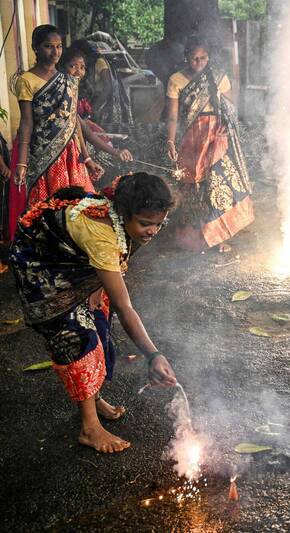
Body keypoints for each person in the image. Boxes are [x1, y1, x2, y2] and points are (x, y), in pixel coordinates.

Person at [8, 173, 178, 453]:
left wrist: (95, 284)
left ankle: (94, 398)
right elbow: (126, 308)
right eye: (146, 223)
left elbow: (117, 254)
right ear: (124, 213)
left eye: (159, 224)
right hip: (43, 263)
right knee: (76, 335)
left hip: (76, 256)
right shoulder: (101, 234)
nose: (153, 231)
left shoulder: (121, 215)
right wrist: (153, 354)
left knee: (99, 321)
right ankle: (89, 428)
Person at [7, 25, 104, 243]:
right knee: (48, 208)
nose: (55, 52)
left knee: (79, 205)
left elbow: (74, 122)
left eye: (59, 46)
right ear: (35, 48)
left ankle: (79, 253)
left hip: (70, 154)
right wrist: (22, 163)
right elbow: (26, 122)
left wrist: (87, 158)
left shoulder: (68, 79)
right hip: (43, 154)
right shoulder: (27, 80)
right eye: (48, 46)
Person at [165, 37, 253, 253]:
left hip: (216, 135)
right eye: (194, 59)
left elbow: (231, 105)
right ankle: (193, 236)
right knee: (192, 184)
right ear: (186, 58)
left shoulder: (216, 77)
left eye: (203, 58)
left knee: (217, 181)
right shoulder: (175, 80)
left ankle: (219, 236)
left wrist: (226, 125)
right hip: (191, 136)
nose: (199, 63)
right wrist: (171, 140)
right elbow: (173, 116)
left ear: (208, 58)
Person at [59, 47, 134, 165]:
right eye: (73, 66)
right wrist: (89, 157)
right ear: (62, 67)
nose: (79, 72)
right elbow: (82, 126)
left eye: (82, 67)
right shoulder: (62, 92)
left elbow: (81, 123)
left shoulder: (76, 91)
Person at [70, 35, 133, 131]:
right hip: (92, 102)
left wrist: (94, 108)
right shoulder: (85, 65)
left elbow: (108, 87)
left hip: (103, 103)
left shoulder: (99, 62)